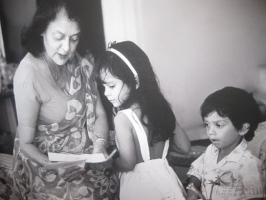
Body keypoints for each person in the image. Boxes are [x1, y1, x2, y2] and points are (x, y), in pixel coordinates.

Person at [12, 0, 119, 199]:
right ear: (42, 30)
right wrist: (56, 166)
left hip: (85, 154)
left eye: (74, 38)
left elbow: (99, 114)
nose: (66, 48)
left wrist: (98, 148)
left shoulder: (83, 62)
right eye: (58, 37)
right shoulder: (28, 74)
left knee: (113, 181)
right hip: (46, 161)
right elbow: (26, 144)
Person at [93, 41, 190, 200]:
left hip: (140, 187)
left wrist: (111, 164)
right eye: (103, 87)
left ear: (135, 81)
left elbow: (128, 163)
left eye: (111, 86)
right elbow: (185, 147)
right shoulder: (163, 110)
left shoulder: (123, 118)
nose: (106, 93)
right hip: (168, 180)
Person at [187, 87, 265, 200]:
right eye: (207, 124)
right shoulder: (211, 150)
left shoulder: (248, 164)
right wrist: (192, 190)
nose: (210, 132)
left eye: (219, 125)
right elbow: (196, 172)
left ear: (242, 129)